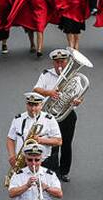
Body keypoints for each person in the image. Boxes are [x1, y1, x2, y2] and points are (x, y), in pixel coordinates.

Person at [32, 50, 83, 179]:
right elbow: (36, 89)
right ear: (53, 62)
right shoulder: (46, 74)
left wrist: (76, 101)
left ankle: (64, 172)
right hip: (49, 115)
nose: (60, 64)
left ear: (67, 61)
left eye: (62, 61)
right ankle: (51, 171)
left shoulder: (74, 76)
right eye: (57, 62)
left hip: (67, 114)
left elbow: (78, 97)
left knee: (66, 143)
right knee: (51, 144)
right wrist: (49, 93)